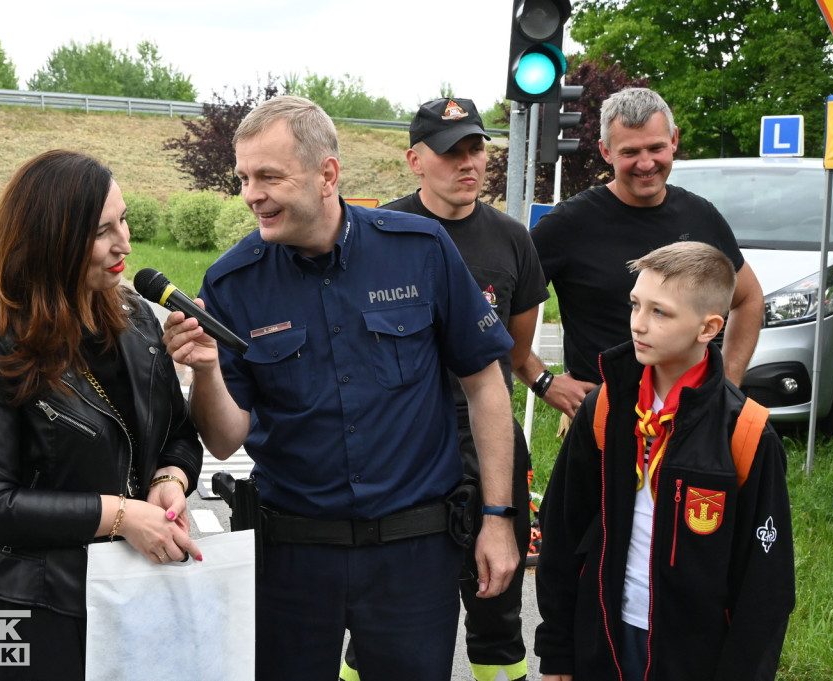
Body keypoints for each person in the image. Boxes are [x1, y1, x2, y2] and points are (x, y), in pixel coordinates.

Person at [163, 96, 520, 681]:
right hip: (292, 559)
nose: (253, 194)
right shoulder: (233, 281)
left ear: (327, 174)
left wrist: (499, 519)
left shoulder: (420, 250)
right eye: (245, 178)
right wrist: (203, 368)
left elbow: (485, 385)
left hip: (414, 553)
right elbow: (226, 440)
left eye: (270, 176)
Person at [0, 149, 203, 680]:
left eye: (123, 219)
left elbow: (177, 432)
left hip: (136, 585)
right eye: (102, 231)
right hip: (43, 606)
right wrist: (123, 516)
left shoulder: (134, 317)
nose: (124, 243)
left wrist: (170, 478)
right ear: (52, 239)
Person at [339, 97, 547, 681]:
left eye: (476, 147)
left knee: (496, 613)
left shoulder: (511, 239)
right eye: (450, 151)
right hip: (401, 450)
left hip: (487, 446)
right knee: (378, 624)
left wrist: (545, 383)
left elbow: (514, 348)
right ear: (414, 160)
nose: (469, 162)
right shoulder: (373, 235)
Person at [534, 241, 795, 681]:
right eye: (636, 304)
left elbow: (765, 586)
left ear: (708, 327)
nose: (638, 324)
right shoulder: (604, 409)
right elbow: (561, 530)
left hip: (695, 655)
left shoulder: (746, 433)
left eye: (661, 312)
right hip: (604, 639)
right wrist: (558, 647)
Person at [521, 87, 765, 425]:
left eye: (656, 148)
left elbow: (749, 297)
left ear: (674, 139)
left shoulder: (700, 215)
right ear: (606, 151)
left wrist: (728, 386)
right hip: (604, 421)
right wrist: (543, 381)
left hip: (691, 420)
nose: (646, 163)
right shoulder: (568, 225)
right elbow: (496, 307)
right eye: (630, 152)